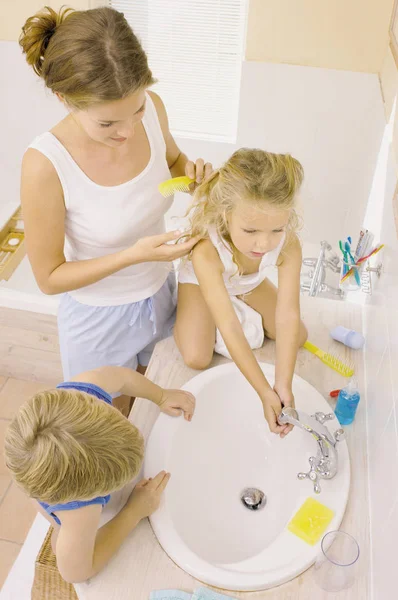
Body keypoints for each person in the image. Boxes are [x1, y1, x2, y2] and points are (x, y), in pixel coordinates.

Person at [19, 6, 212, 412]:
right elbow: (50, 278)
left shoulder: (154, 108)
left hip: (161, 296)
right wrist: (131, 255)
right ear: (64, 100)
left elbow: (172, 160)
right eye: (107, 124)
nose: (127, 131)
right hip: (97, 322)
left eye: (136, 110)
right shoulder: (46, 165)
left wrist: (191, 175)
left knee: (152, 420)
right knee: (107, 440)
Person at [4, 365, 195, 583]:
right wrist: (133, 511)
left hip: (37, 466)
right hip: (61, 507)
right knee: (65, 545)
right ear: (91, 493)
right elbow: (76, 573)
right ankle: (58, 530)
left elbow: (121, 378)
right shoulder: (80, 513)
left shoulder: (84, 393)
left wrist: (161, 395)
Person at [175, 148, 308, 437]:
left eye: (277, 229)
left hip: (246, 282)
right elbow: (230, 326)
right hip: (202, 283)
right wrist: (263, 390)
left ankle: (234, 297)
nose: (264, 244)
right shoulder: (206, 252)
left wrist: (283, 383)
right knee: (196, 357)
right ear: (225, 214)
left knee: (298, 336)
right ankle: (207, 304)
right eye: (250, 231)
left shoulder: (289, 244)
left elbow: (288, 313)